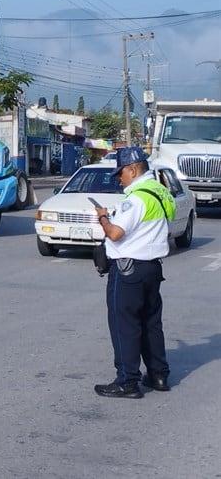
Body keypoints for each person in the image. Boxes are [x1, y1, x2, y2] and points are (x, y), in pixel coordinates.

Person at [92, 146, 176, 399]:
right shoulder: (162, 193)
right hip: (152, 268)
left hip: (128, 270)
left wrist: (104, 219)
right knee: (151, 323)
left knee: (124, 324)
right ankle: (158, 374)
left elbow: (116, 234)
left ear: (133, 169)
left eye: (121, 173)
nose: (119, 178)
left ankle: (127, 381)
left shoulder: (137, 198)